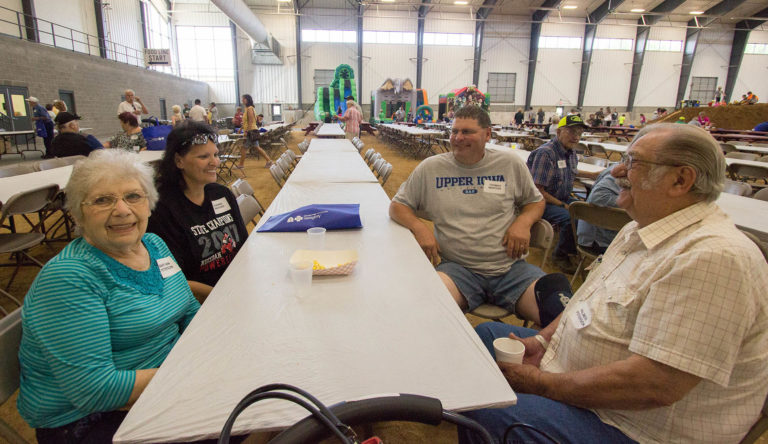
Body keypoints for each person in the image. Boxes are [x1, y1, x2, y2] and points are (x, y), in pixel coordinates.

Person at [459, 123, 768, 444]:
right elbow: (585, 301)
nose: (617, 171)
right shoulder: (639, 228)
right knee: (484, 336)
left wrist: (541, 384)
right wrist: (541, 342)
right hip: (577, 378)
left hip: (629, 425)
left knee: (491, 409)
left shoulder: (713, 258)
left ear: (681, 180)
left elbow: (654, 385)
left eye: (634, 163)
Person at [17, 149, 200, 443]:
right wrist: (193, 371)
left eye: (133, 196)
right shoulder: (69, 279)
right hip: (90, 421)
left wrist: (206, 353)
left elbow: (189, 309)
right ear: (77, 212)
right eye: (103, 200)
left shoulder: (153, 244)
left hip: (163, 383)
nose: (122, 210)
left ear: (149, 203)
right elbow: (95, 391)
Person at [389, 105, 574, 327]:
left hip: (511, 270)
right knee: (426, 311)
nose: (458, 138)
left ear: (487, 134)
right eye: (454, 131)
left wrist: (523, 223)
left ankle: (530, 346)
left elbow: (536, 201)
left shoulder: (509, 164)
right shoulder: (431, 168)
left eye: (467, 132)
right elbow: (398, 205)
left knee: (563, 316)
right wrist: (419, 228)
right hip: (457, 270)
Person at [147, 120, 248, 301]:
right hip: (203, 301)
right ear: (179, 161)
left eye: (215, 154)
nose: (215, 162)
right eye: (203, 157)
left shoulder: (222, 194)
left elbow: (243, 247)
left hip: (238, 285)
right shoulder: (162, 210)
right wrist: (223, 297)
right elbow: (175, 279)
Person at [526, 115, 600, 273]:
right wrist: (562, 205)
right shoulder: (546, 154)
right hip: (540, 202)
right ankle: (559, 255)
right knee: (570, 217)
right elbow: (537, 191)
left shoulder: (571, 152)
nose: (576, 136)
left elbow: (571, 171)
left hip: (563, 197)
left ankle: (576, 246)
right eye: (571, 131)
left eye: (579, 133)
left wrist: (592, 175)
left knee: (588, 211)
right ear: (559, 132)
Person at [575, 167, 621, 255]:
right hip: (597, 241)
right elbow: (597, 197)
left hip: (609, 237)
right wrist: (634, 202)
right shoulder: (619, 175)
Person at [239, 94, 273, 169]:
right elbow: (246, 122)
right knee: (256, 147)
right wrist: (241, 129)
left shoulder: (250, 109)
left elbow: (251, 121)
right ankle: (269, 161)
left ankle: (241, 165)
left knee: (244, 148)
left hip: (251, 131)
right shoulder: (248, 109)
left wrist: (246, 131)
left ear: (247, 100)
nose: (242, 100)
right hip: (252, 130)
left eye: (243, 99)